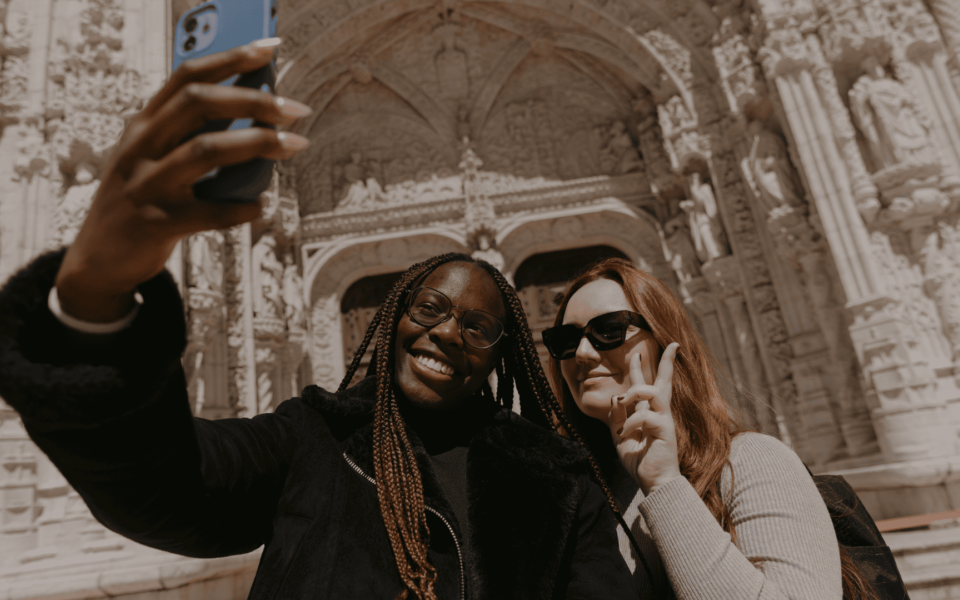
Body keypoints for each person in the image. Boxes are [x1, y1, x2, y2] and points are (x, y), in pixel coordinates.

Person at [0, 40, 637, 600]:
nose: (447, 332)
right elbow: (157, 485)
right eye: (430, 308)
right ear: (390, 322)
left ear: (502, 353)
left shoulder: (555, 476)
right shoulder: (312, 441)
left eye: (478, 327)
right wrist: (93, 301)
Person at [541, 258, 872, 599]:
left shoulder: (749, 462)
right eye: (565, 339)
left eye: (609, 329)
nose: (581, 352)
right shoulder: (570, 490)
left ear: (664, 339)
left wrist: (664, 484)